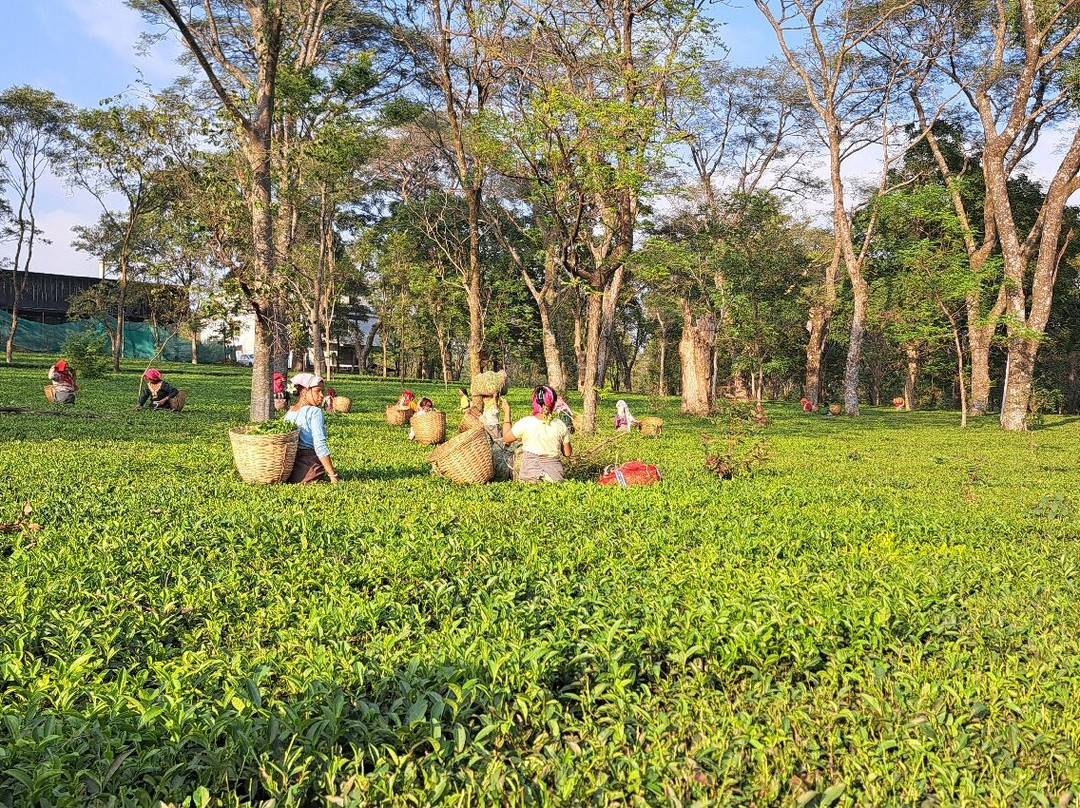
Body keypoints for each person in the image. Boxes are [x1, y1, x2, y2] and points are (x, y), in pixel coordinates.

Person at [503, 384, 572, 482]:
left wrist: (507, 412)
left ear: (534, 402)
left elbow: (506, 438)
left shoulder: (526, 422)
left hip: (530, 475)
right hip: (555, 477)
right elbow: (567, 453)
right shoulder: (560, 424)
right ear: (552, 403)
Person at [284, 373, 340, 484]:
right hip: (309, 468)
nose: (322, 395)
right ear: (304, 392)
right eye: (317, 391)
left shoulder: (289, 412)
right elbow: (319, 445)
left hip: (291, 471)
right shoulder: (314, 412)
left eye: (322, 391)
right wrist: (333, 475)